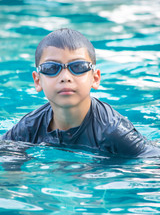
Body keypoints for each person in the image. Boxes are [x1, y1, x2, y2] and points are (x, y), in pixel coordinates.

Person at [1, 28, 160, 158]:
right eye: (51, 68)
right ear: (37, 81)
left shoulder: (113, 132)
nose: (65, 77)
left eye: (78, 67)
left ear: (95, 78)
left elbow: (151, 163)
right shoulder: (28, 128)